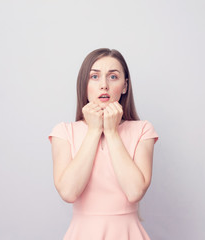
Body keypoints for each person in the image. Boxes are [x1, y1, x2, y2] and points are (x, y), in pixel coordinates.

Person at [48, 48, 158, 239]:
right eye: (95, 76)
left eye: (113, 77)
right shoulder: (64, 132)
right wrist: (93, 130)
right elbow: (68, 192)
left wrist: (112, 131)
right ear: (84, 84)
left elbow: (134, 192)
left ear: (125, 86)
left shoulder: (143, 130)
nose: (104, 85)